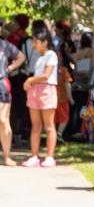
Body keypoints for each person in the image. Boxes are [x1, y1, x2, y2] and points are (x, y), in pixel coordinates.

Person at [21, 27, 58, 168]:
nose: (34, 44)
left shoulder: (51, 55)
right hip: (35, 91)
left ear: (45, 42)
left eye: (36, 41)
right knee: (35, 125)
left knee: (49, 125)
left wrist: (30, 80)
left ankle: (50, 156)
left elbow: (46, 76)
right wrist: (31, 83)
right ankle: (34, 156)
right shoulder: (39, 58)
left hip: (47, 90)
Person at [0, 34, 26, 166]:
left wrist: (9, 68)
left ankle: (6, 156)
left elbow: (21, 57)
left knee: (3, 120)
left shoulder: (5, 45)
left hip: (2, 84)